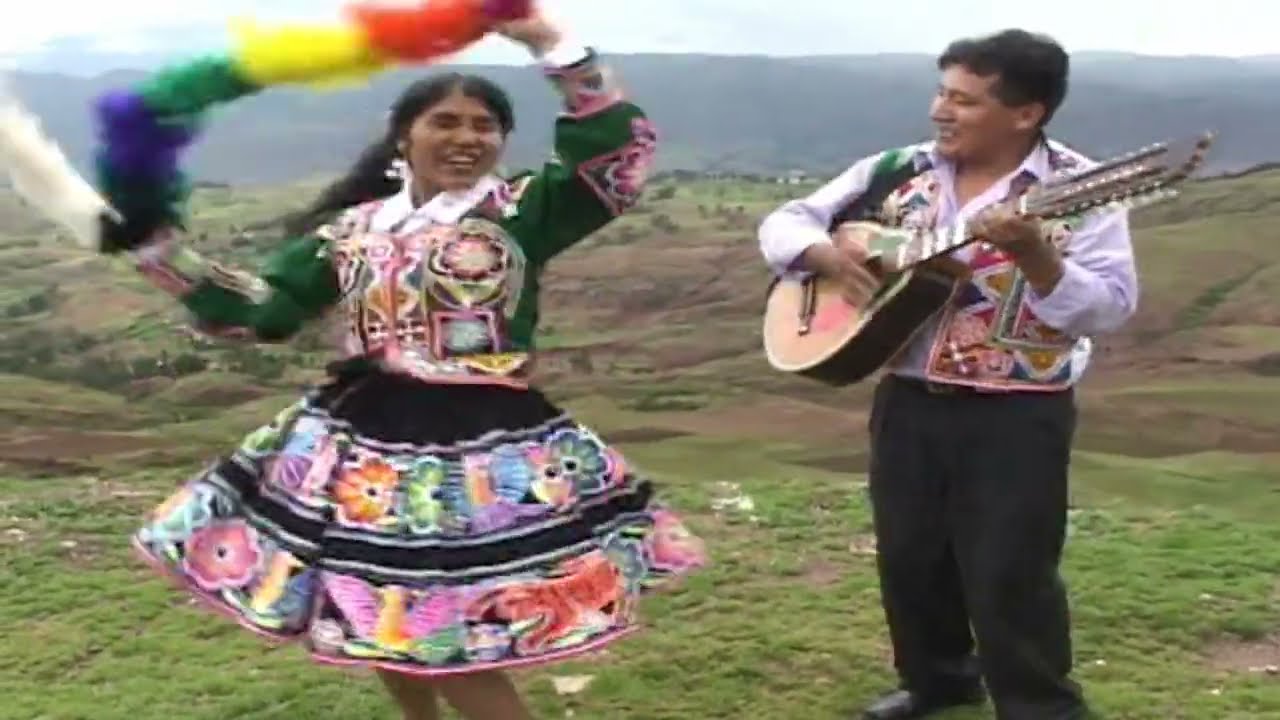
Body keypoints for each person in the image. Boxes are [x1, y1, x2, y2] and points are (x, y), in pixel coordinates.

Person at [1, 13, 706, 720]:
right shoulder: (351, 231)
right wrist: (159, 254)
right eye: (445, 122)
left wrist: (552, 46)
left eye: (485, 126)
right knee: (373, 614)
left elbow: (611, 159)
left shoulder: (523, 211)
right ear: (404, 136)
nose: (467, 137)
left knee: (452, 633)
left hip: (478, 447)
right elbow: (264, 309)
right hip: (363, 441)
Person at [758, 29, 1137, 720]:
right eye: (942, 93)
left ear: (1026, 113)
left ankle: (1039, 706)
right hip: (908, 398)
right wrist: (824, 256)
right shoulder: (895, 170)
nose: (941, 110)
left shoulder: (1082, 189)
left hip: (1018, 409)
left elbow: (1109, 306)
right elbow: (785, 222)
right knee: (910, 556)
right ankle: (938, 682)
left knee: (1010, 567)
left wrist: (1038, 258)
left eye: (964, 100)